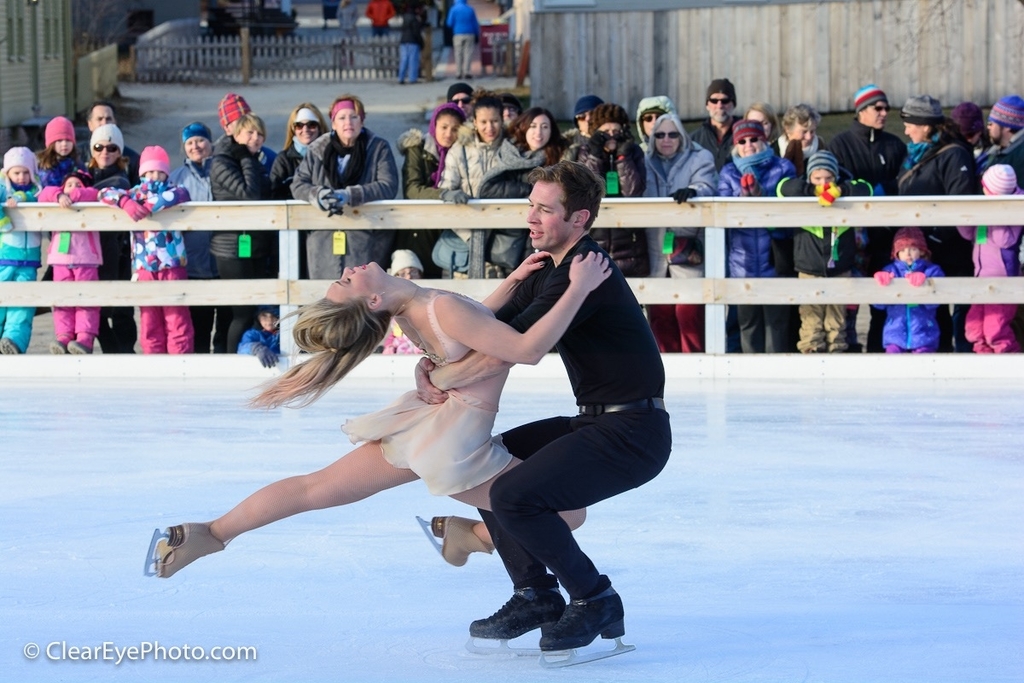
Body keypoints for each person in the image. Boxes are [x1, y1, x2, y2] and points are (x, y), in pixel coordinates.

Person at [148, 244, 611, 579]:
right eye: (347, 281)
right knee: (570, 513)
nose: (349, 269)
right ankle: (471, 536)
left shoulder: (412, 309)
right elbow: (525, 349)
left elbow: (472, 324)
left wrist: (511, 282)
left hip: (427, 421)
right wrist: (578, 287)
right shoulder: (435, 305)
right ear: (372, 300)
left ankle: (210, 533)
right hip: (454, 443)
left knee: (315, 487)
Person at [417, 160, 671, 653]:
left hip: (634, 434)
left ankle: (595, 597)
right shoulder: (547, 268)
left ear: (579, 219)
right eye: (530, 205)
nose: (530, 217)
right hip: (597, 422)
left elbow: (507, 347)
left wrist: (441, 377)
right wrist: (429, 363)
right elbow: (480, 328)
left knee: (512, 493)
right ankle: (534, 593)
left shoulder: (584, 271)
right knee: (494, 459)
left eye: (545, 210)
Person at [828, 84, 908, 353]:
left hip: (886, 235)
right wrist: (865, 191)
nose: (884, 113)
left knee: (884, 300)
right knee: (849, 300)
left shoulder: (895, 145)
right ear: (861, 110)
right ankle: (848, 352)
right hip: (853, 236)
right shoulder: (839, 144)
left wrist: (887, 189)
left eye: (886, 108)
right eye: (878, 108)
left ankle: (879, 351)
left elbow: (904, 182)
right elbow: (835, 183)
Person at [897, 94, 976, 353]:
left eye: (910, 125)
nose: (906, 131)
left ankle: (964, 358)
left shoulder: (954, 155)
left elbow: (960, 200)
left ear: (926, 126)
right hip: (924, 250)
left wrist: (936, 237)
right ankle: (938, 358)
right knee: (933, 311)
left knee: (961, 308)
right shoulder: (913, 156)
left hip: (951, 248)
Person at [291, 94, 400, 277]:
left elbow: (388, 185)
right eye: (342, 117)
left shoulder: (377, 148)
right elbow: (298, 184)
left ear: (362, 121)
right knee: (324, 291)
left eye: (354, 117)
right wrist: (318, 195)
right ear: (333, 123)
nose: (348, 122)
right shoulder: (317, 149)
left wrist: (350, 195)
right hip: (323, 238)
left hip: (365, 236)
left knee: (361, 290)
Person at [99, 146, 194, 355]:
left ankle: (181, 361)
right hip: (144, 267)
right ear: (142, 173)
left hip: (172, 264)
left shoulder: (174, 190)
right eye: (149, 172)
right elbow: (103, 193)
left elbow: (179, 195)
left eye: (159, 171)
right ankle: (154, 360)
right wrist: (125, 202)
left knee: (176, 317)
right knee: (150, 319)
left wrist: (147, 205)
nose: (154, 176)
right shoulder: (133, 193)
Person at [436, 91, 541, 278]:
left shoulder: (512, 148)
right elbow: (448, 184)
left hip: (505, 230)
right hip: (467, 229)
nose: (489, 128)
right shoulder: (460, 149)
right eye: (483, 122)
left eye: (494, 121)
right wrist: (450, 194)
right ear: (475, 122)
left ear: (502, 120)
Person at [776, 150, 873, 353]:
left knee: (837, 319)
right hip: (809, 268)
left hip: (840, 267)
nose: (824, 183)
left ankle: (836, 352)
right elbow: (782, 188)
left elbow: (867, 188)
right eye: (817, 178)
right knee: (811, 319)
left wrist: (840, 190)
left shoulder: (844, 191)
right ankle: (811, 352)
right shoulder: (802, 191)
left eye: (828, 178)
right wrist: (813, 191)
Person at [718, 119, 796, 354]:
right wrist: (742, 199)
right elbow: (722, 211)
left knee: (777, 324)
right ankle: (749, 370)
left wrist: (762, 197)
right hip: (743, 261)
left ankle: (776, 369)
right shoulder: (729, 172)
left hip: (775, 258)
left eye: (754, 139)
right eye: (742, 141)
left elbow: (789, 209)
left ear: (764, 140)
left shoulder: (782, 167)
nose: (748, 145)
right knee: (748, 324)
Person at [643, 112, 718, 353]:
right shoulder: (644, 161)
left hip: (687, 245)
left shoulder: (699, 157)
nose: (666, 140)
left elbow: (707, 185)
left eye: (673, 135)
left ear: (682, 137)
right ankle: (665, 365)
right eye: (660, 135)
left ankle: (694, 364)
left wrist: (693, 191)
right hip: (655, 249)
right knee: (659, 314)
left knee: (689, 314)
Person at [210, 112, 273, 355]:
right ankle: (231, 362)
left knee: (254, 309)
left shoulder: (254, 159)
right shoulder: (223, 161)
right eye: (250, 133)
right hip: (230, 246)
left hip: (254, 243)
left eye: (260, 134)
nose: (256, 138)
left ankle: (247, 355)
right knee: (242, 312)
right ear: (236, 135)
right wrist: (247, 158)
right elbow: (249, 194)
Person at [170, 122, 228, 353]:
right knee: (199, 328)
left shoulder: (222, 171)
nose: (196, 146)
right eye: (190, 142)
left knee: (225, 326)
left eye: (200, 140)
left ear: (210, 143)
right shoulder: (177, 178)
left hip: (223, 262)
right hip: (193, 265)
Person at [573, 103, 649, 276]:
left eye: (616, 131)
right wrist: (596, 156)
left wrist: (623, 158)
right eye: (605, 131)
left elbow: (633, 191)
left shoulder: (634, 152)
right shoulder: (585, 152)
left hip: (629, 241)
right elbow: (586, 190)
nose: (611, 136)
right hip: (595, 237)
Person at [955, 165, 1022, 354]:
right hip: (981, 277)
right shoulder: (985, 207)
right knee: (974, 328)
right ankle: (983, 360)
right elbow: (969, 234)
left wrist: (995, 215)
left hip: (1003, 281)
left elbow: (1004, 240)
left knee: (995, 330)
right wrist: (964, 217)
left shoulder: (1016, 207)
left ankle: (1010, 361)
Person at [396, 102, 467, 278]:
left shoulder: (463, 152)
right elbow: (412, 189)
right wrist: (443, 194)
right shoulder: (417, 148)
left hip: (450, 224)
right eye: (444, 127)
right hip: (420, 227)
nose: (448, 134)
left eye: (455, 129)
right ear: (434, 125)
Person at [86, 123, 138, 354]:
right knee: (91, 308)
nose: (105, 152)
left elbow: (113, 189)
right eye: (99, 147)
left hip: (117, 251)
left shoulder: (121, 178)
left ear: (120, 152)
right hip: (88, 251)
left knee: (118, 308)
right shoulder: (84, 175)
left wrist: (80, 193)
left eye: (112, 148)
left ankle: (124, 354)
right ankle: (112, 353)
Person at [38, 170, 102, 355]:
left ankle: (84, 338)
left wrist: (73, 195)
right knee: (62, 300)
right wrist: (59, 196)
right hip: (61, 259)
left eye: (78, 185)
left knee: (86, 300)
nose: (73, 188)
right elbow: (44, 194)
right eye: (69, 185)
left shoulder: (90, 197)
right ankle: (64, 335)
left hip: (86, 259)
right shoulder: (57, 198)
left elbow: (94, 193)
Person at [872, 227, 944, 353]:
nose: (908, 254)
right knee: (893, 360)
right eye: (902, 250)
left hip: (924, 332)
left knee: (923, 361)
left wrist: (926, 284)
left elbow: (935, 302)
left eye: (913, 249)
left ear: (922, 251)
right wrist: (882, 285)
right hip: (895, 333)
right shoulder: (890, 271)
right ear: (896, 253)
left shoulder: (932, 271)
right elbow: (878, 305)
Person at [0, 147, 41, 355]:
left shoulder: (36, 191)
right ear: (7, 172)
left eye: (26, 172)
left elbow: (39, 198)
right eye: (16, 172)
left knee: (23, 304)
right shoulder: (2, 191)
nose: (22, 177)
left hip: (29, 259)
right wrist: (4, 218)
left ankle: (13, 341)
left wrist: (22, 196)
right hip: (4, 257)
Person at [77, 101, 140, 184]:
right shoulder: (78, 155)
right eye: (99, 119)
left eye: (108, 119)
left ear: (115, 122)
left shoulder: (133, 160)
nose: (104, 123)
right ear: (90, 124)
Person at [216, 93, 277, 175]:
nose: (248, 125)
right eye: (240, 122)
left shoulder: (269, 157)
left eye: (250, 120)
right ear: (227, 128)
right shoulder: (222, 160)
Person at [380, 250, 424, 355]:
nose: (409, 277)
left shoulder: (428, 301)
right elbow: (393, 333)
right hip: (399, 357)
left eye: (413, 272)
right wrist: (389, 346)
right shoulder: (392, 305)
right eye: (403, 274)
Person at [691, 78, 738, 171]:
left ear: (733, 104)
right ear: (707, 105)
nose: (719, 106)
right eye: (714, 101)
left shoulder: (746, 138)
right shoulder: (694, 140)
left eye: (725, 100)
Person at [36, 116, 84, 189]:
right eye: (59, 141)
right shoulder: (44, 166)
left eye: (68, 140)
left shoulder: (77, 164)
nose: (64, 144)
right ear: (51, 144)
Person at [983, 95, 1024, 180]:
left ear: (1007, 126)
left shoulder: (1020, 157)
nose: (988, 127)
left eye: (991, 123)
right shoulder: (996, 151)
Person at [778, 104, 823, 176]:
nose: (808, 137)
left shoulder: (821, 150)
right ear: (788, 130)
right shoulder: (774, 151)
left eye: (812, 131)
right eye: (804, 132)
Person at [950, 101, 990, 174]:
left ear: (980, 131)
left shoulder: (991, 154)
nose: (967, 140)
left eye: (970, 135)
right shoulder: (947, 155)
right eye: (960, 137)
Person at [447, 0, 480, 80]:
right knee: (468, 53)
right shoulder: (470, 9)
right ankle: (467, 72)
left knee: (458, 53)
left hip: (458, 33)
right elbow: (475, 23)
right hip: (470, 33)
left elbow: (449, 23)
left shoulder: (453, 9)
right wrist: (477, 33)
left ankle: (458, 72)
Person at [398, 5, 424, 85]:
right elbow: (416, 32)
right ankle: (412, 78)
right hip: (413, 41)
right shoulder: (414, 19)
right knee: (413, 60)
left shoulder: (404, 18)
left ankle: (401, 78)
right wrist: (421, 42)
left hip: (403, 41)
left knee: (404, 59)